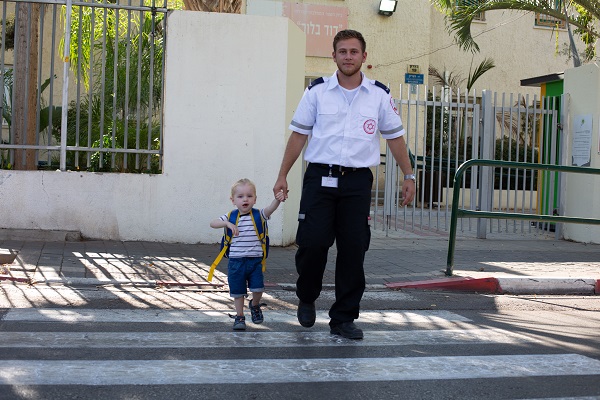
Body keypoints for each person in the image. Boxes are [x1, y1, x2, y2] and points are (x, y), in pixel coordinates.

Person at [272, 29, 416, 340]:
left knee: (353, 249)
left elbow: (395, 137)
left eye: (354, 51)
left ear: (364, 56)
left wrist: (409, 175)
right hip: (319, 179)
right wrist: (283, 174)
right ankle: (307, 296)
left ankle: (343, 318)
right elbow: (298, 135)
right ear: (334, 55)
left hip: (357, 183)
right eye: (342, 51)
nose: (348, 56)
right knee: (312, 243)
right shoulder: (317, 92)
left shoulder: (379, 94)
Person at [210, 178, 285, 331]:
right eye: (240, 196)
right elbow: (213, 223)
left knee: (258, 289)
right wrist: (227, 224)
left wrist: (277, 199)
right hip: (236, 262)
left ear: (255, 199)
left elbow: (271, 208)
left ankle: (255, 305)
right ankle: (239, 317)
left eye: (249, 196)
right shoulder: (231, 216)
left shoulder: (259, 215)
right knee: (238, 292)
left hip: (255, 261)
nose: (245, 199)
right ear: (233, 200)